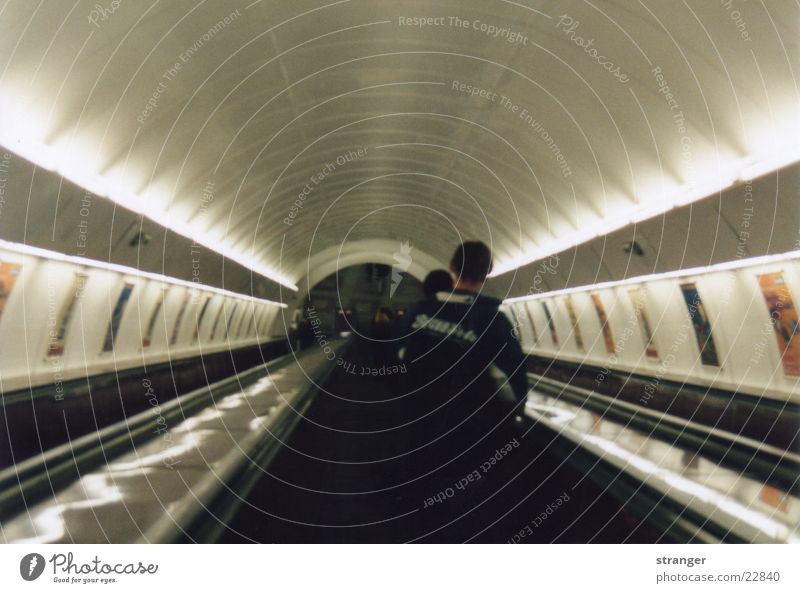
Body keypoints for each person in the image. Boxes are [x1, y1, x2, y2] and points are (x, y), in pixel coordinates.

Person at [397, 241, 529, 533]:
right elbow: (512, 384)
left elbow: (399, 356)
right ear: (488, 274)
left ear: (451, 267)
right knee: (460, 514)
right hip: (467, 438)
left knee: (416, 508)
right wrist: (514, 415)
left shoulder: (419, 311)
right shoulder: (493, 322)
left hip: (415, 429)